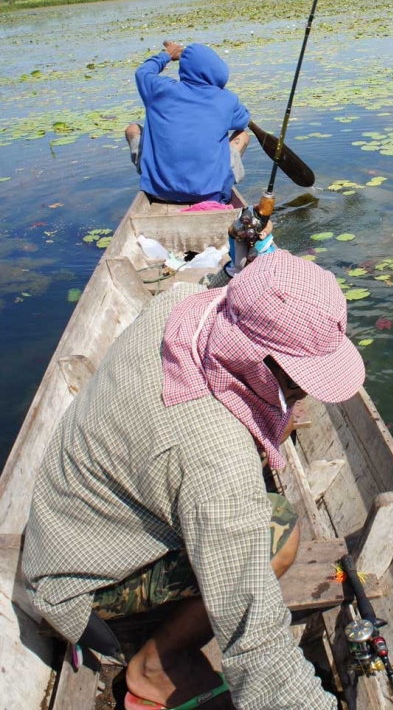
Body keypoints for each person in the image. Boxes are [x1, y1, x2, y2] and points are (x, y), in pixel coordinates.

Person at [22, 250, 366, 710]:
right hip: (76, 585)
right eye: (296, 381)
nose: (301, 393)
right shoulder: (216, 462)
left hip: (64, 519)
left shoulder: (183, 303)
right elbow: (257, 645)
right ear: (258, 359)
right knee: (281, 532)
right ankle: (156, 667)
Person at [125, 41, 251, 205]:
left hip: (159, 193)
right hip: (210, 194)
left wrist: (167, 55)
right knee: (243, 134)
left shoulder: (159, 89)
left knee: (132, 129)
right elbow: (244, 120)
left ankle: (151, 175)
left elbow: (142, 72)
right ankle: (221, 179)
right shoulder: (227, 99)